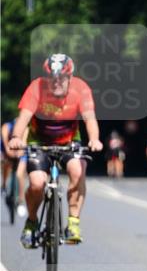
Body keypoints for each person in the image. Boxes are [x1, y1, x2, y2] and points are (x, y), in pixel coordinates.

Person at [8, 53, 103, 247]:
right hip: (39, 140)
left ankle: (73, 223)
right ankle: (32, 221)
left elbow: (90, 118)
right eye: (52, 78)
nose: (56, 82)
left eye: (61, 78)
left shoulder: (80, 89)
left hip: (69, 141)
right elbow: (24, 118)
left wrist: (94, 139)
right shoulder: (36, 88)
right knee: (37, 183)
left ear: (70, 77)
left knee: (77, 170)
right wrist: (16, 137)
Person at [1, 119, 29, 218]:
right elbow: (5, 143)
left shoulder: (26, 128)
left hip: (20, 151)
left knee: (19, 174)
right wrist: (9, 153)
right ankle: (4, 185)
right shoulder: (6, 127)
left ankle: (21, 200)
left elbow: (25, 143)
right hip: (7, 148)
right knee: (5, 163)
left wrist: (19, 153)